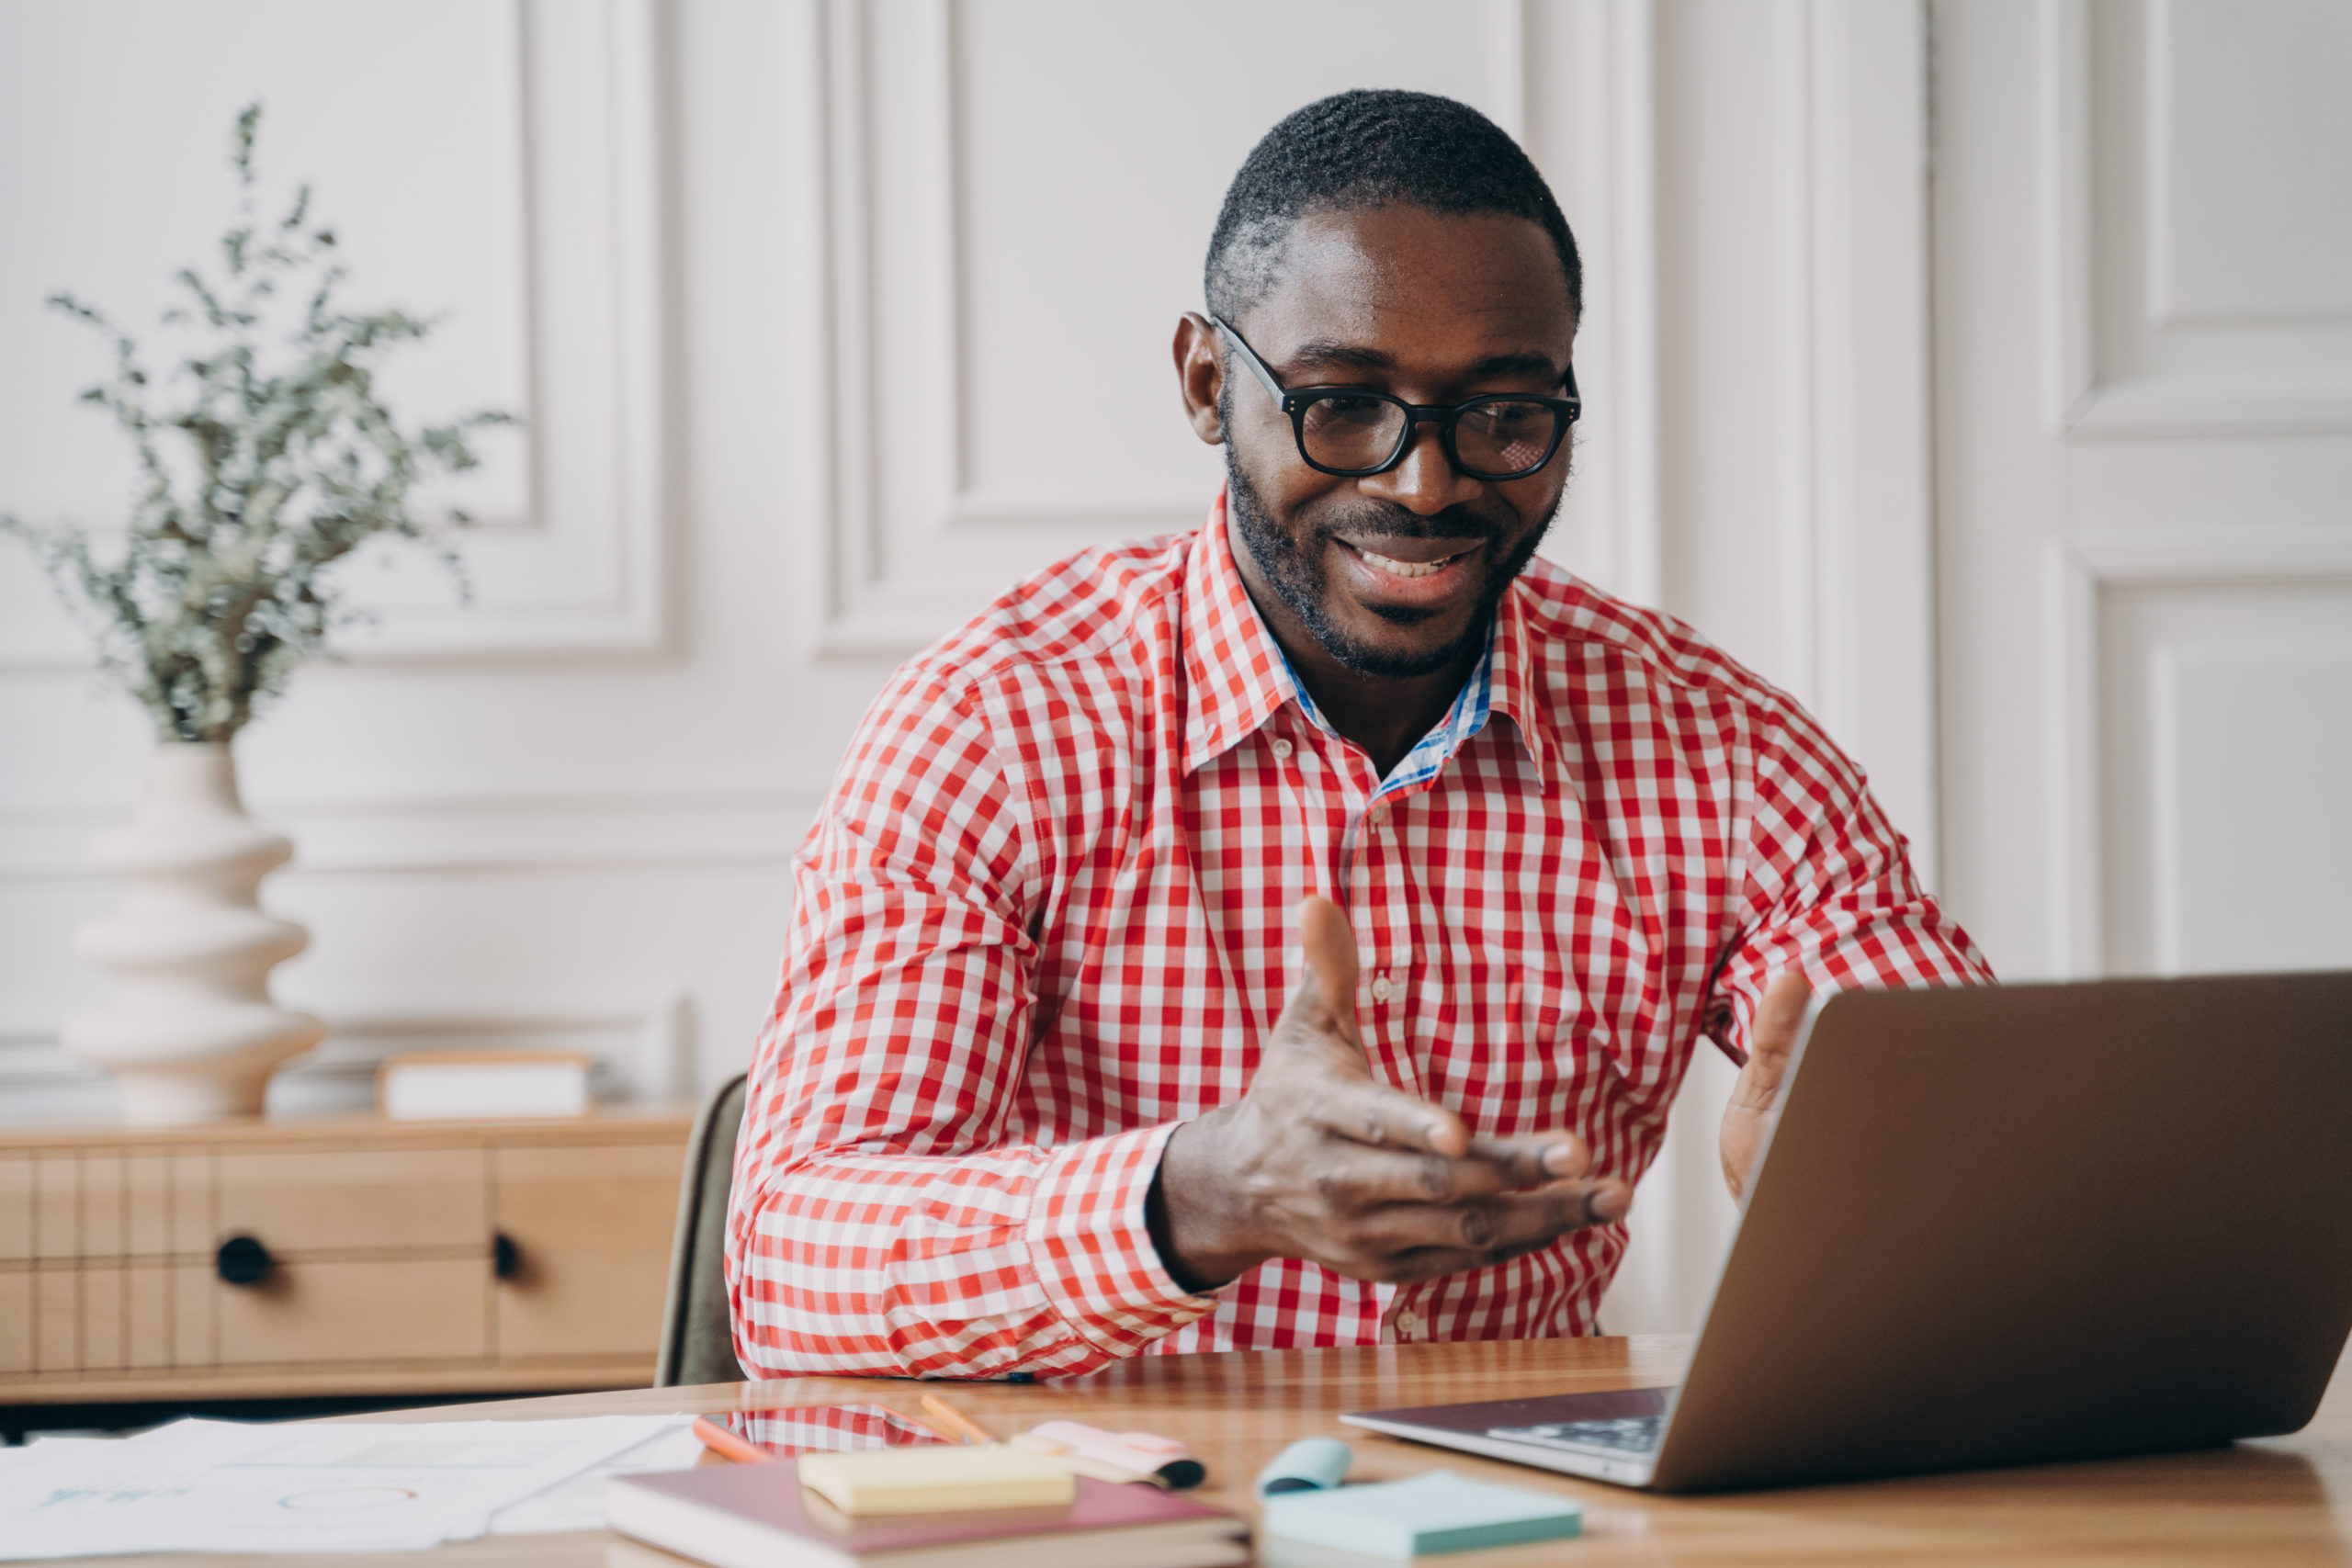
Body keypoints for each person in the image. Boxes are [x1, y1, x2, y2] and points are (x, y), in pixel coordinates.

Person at [725, 89, 1991, 1379]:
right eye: (1343, 404)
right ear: (1210, 383)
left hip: (1526, 1512)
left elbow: (2002, 1151)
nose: (1424, 484)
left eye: (1505, 415)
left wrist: (1868, 1210)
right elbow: (790, 1264)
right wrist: (1206, 1194)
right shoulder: (999, 724)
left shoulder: (1718, 749)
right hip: (1110, 1510)